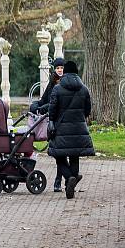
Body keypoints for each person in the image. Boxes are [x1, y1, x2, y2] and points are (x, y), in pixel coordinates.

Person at [48, 60, 94, 199]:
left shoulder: (57, 88)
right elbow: (88, 110)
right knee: (74, 156)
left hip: (61, 128)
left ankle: (69, 178)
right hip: (79, 127)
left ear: (65, 72)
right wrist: (79, 118)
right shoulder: (84, 89)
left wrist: (52, 122)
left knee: (59, 156)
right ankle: (72, 182)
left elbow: (52, 109)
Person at [30, 57, 65, 191]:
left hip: (61, 122)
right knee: (57, 153)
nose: (60, 70)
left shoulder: (65, 83)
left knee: (61, 153)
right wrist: (35, 105)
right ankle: (63, 180)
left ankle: (59, 181)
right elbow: (44, 99)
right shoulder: (52, 82)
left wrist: (44, 107)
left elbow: (56, 103)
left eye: (61, 68)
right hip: (52, 123)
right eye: (57, 68)